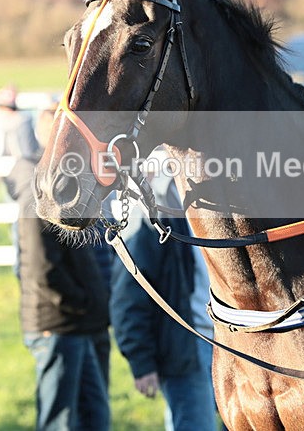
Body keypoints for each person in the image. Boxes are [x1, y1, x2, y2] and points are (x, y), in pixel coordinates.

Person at [5, 114, 110, 431]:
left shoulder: (65, 192)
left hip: (77, 324)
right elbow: (43, 270)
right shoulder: (35, 200)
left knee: (94, 414)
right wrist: (83, 303)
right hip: (58, 325)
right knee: (60, 419)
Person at [111, 175, 220, 431]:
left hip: (225, 341)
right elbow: (129, 292)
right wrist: (141, 361)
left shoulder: (208, 199)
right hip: (186, 348)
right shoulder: (150, 210)